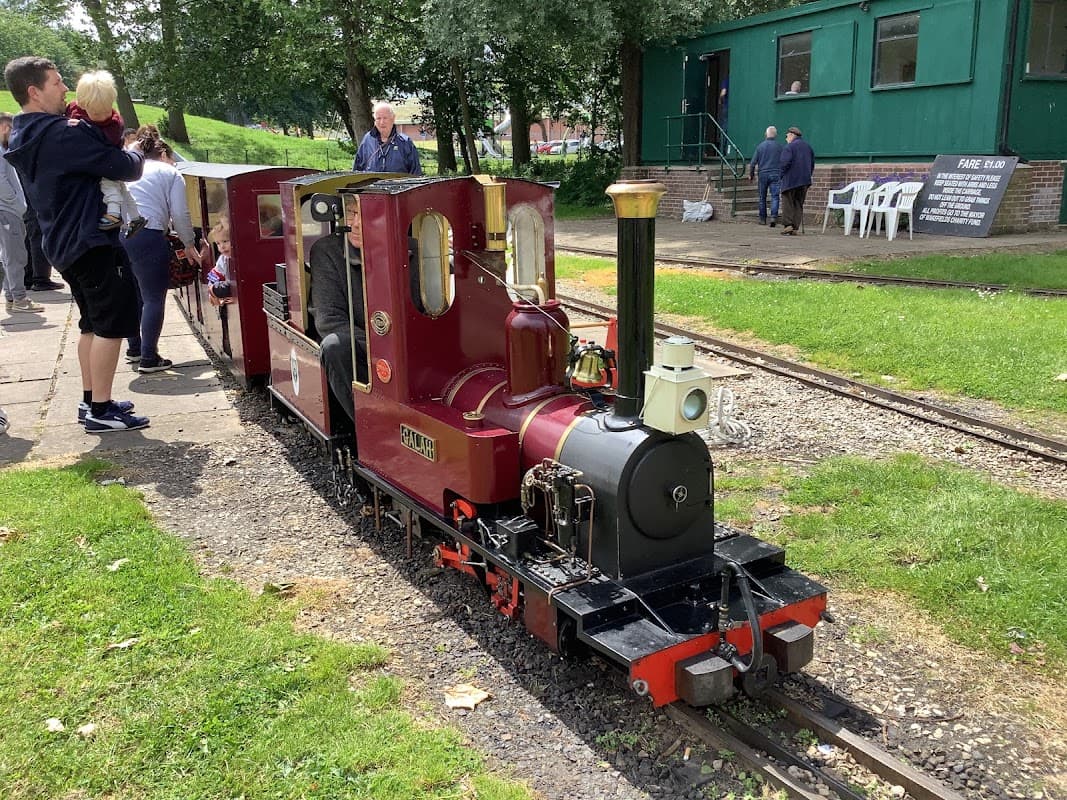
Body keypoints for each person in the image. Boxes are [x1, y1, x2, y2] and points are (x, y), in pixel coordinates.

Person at [3, 56, 147, 432]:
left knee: (91, 325)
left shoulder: (24, 133)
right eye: (56, 82)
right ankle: (100, 410)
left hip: (63, 242)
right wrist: (137, 150)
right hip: (91, 241)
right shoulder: (64, 133)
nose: (65, 88)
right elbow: (126, 167)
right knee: (112, 326)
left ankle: (91, 400)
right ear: (34, 91)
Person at [121, 124, 200, 373]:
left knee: (131, 293)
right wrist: (189, 244)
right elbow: (180, 213)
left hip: (120, 234)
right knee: (154, 297)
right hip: (148, 234)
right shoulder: (170, 174)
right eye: (174, 159)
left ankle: (134, 348)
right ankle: (149, 357)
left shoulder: (131, 171)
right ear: (164, 155)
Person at [66, 71, 147, 236]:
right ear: (83, 105)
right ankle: (136, 216)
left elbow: (102, 143)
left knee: (111, 186)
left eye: (106, 111)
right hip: (100, 163)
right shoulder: (74, 108)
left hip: (109, 160)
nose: (103, 117)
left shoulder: (114, 123)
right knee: (123, 190)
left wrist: (83, 127)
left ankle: (114, 215)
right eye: (96, 113)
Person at [309, 199, 368, 424]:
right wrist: (381, 349)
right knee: (335, 346)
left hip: (402, 348)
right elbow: (329, 319)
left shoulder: (412, 249)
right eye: (351, 214)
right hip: (359, 344)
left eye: (367, 216)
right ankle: (366, 429)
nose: (356, 224)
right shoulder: (327, 251)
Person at [0, 111, 45, 313]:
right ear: (4, 128)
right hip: (8, 210)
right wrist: (18, 204)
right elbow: (2, 183)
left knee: (10, 255)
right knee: (15, 256)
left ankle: (12, 296)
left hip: (8, 209)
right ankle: (19, 299)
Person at [352, 102, 423, 175]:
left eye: (385, 118)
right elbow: (356, 171)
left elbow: (416, 173)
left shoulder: (405, 142)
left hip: (399, 186)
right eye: (378, 118)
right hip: (372, 186)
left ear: (393, 118)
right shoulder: (367, 140)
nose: (382, 122)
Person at [779, 126, 815, 236]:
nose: (786, 138)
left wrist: (781, 175)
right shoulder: (808, 147)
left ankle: (788, 225)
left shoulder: (789, 147)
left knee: (787, 201)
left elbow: (784, 163)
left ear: (791, 135)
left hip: (791, 179)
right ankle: (795, 227)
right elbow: (812, 164)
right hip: (804, 180)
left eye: (786, 136)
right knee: (798, 203)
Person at [22, 194, 63, 291]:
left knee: (30, 237)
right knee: (38, 237)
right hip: (34, 201)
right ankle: (41, 279)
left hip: (25, 201)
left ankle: (29, 278)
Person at [748, 126, 783, 227]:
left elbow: (753, 163)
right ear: (775, 135)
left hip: (763, 173)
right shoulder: (780, 147)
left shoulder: (760, 146)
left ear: (766, 134)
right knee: (775, 196)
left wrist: (751, 175)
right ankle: (773, 217)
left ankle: (762, 219)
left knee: (762, 197)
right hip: (776, 173)